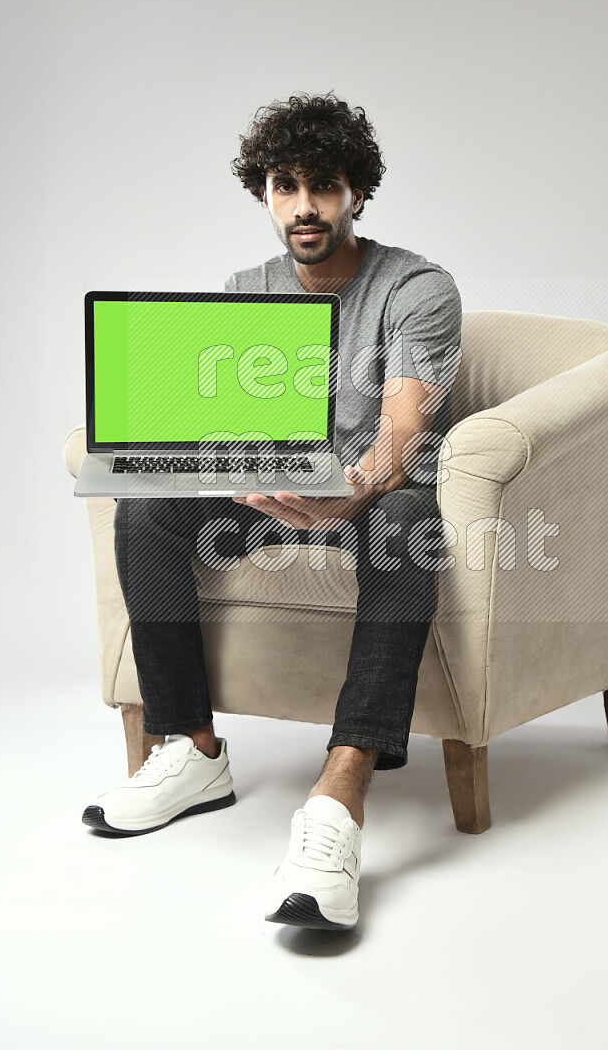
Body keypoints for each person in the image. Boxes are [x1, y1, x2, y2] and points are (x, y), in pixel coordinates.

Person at [82, 92, 463, 932]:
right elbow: (227, 424)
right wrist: (182, 453)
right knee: (146, 509)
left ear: (357, 191)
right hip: (272, 485)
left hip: (376, 496)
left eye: (323, 186)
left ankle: (338, 794)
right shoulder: (244, 289)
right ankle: (189, 749)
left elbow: (404, 429)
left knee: (408, 523)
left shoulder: (418, 288)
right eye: (284, 186)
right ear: (264, 193)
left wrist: (348, 490)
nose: (303, 206)